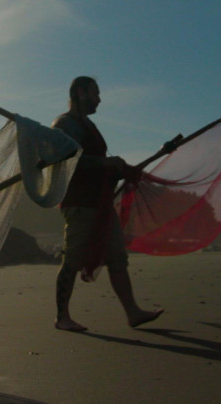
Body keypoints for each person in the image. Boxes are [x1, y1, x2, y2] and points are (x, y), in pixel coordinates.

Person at [51, 76, 164, 331]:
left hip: (100, 203)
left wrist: (119, 168)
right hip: (79, 203)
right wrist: (105, 163)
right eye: (95, 93)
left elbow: (96, 162)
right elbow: (64, 160)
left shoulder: (88, 125)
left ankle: (133, 312)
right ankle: (62, 317)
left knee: (117, 256)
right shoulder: (65, 124)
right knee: (72, 259)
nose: (99, 99)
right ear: (81, 93)